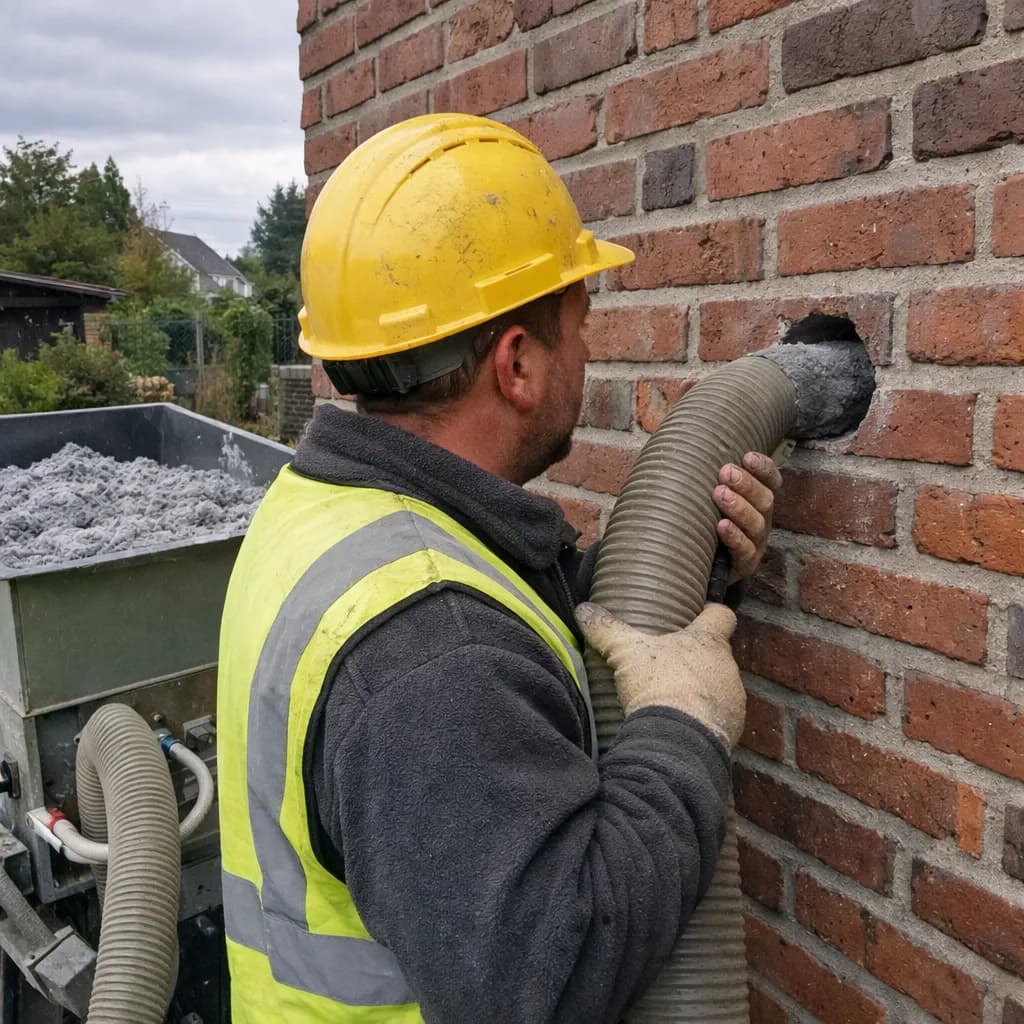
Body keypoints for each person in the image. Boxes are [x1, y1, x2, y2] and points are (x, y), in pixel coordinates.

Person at [217, 113, 782, 1024]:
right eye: (580, 323)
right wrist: (686, 726)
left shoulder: (325, 508)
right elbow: (550, 978)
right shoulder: (434, 655)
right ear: (518, 363)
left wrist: (695, 567)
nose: (590, 351)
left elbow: (498, 640)